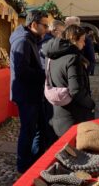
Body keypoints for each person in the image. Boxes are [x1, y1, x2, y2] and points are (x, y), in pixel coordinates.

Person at [10, 9, 47, 174]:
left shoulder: (32, 38)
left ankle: (33, 161)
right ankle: (24, 165)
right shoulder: (23, 41)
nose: (47, 29)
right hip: (27, 94)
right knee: (28, 130)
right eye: (44, 26)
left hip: (32, 92)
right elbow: (22, 71)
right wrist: (44, 74)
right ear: (33, 25)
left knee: (37, 128)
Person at [42, 25, 95, 136]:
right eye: (82, 41)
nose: (84, 44)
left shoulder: (51, 56)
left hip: (58, 114)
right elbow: (76, 91)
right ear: (74, 39)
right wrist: (91, 104)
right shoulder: (72, 58)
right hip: (73, 117)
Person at [37, 19, 65, 150]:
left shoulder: (50, 41)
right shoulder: (49, 43)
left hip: (48, 85)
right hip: (48, 86)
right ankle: (46, 151)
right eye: (62, 32)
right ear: (55, 31)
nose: (63, 35)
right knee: (49, 121)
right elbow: (45, 66)